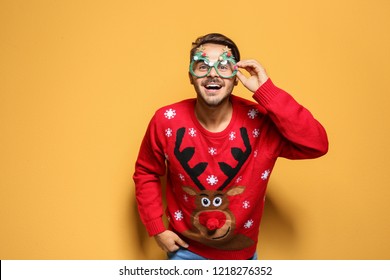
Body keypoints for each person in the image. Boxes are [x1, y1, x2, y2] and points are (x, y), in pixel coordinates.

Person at [133, 33, 328, 260]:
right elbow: (146, 171)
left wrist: (266, 92)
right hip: (185, 251)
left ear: (236, 77)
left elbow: (317, 144)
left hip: (241, 256)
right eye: (202, 65)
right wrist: (157, 228)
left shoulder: (261, 123)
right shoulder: (166, 120)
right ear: (190, 76)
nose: (213, 73)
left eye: (224, 66)